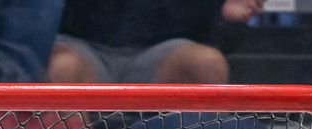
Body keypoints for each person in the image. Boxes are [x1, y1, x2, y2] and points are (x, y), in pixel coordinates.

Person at [46, 0, 264, 86]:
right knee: (62, 66)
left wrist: (227, 16)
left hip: (162, 55)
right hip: (80, 47)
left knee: (207, 63)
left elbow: (217, 38)